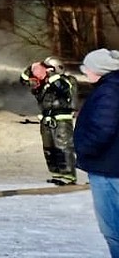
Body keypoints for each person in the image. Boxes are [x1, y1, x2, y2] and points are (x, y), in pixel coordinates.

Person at [73, 48, 119, 258]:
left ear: (100, 70)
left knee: (114, 230)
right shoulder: (112, 88)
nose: (84, 71)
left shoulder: (110, 91)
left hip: (109, 170)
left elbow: (103, 128)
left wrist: (82, 146)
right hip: (112, 166)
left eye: (87, 68)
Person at [20, 56, 77, 185]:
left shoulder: (67, 81)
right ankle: (57, 174)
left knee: (63, 147)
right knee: (49, 148)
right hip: (46, 118)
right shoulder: (44, 84)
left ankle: (68, 176)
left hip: (61, 119)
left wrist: (51, 75)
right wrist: (30, 69)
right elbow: (24, 81)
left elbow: (63, 89)